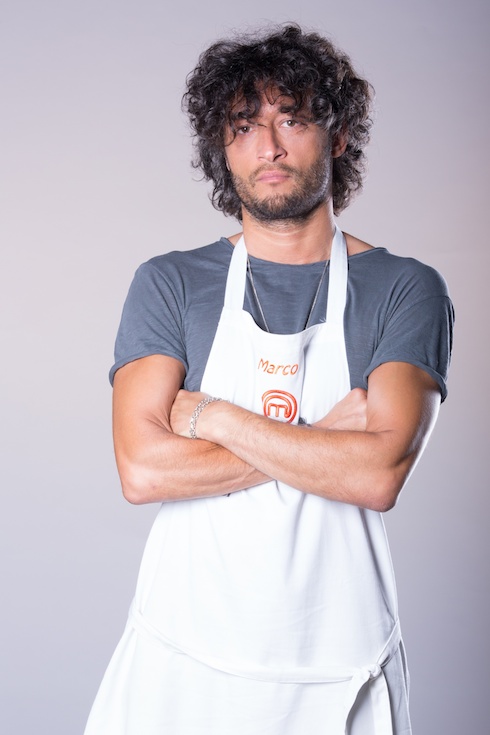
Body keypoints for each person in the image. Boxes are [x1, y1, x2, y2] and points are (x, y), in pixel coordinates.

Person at [84, 24, 453, 735]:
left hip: (340, 673)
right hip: (178, 663)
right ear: (222, 149)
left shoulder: (405, 288)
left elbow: (377, 475)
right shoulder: (170, 282)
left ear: (337, 137)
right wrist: (321, 441)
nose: (270, 147)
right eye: (245, 126)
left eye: (293, 119)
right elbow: (143, 470)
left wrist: (214, 417)